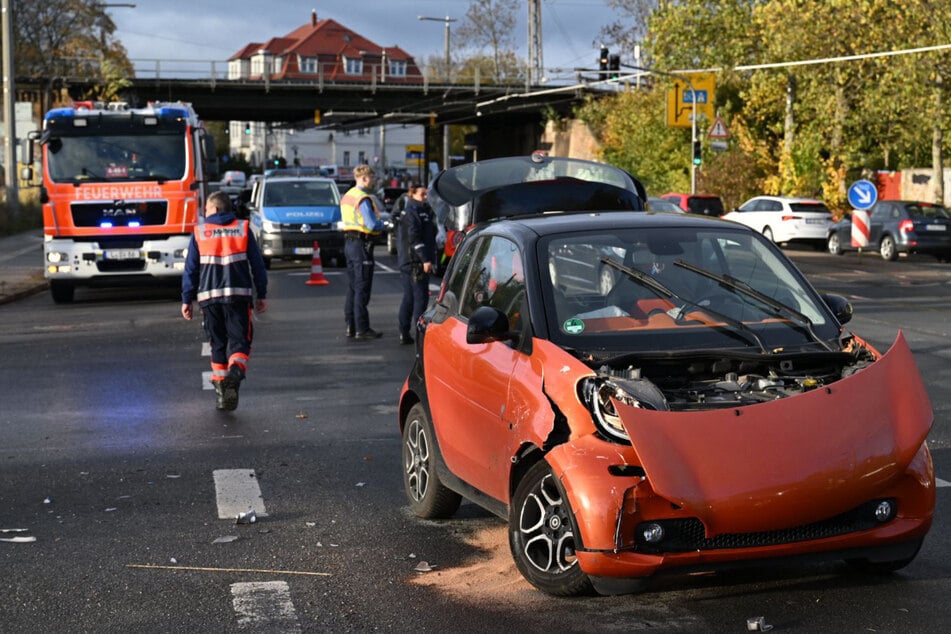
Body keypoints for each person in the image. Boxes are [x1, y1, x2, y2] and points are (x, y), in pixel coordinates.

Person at [181, 191, 268, 411]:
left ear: (217, 209)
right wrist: (262, 294)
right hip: (238, 296)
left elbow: (191, 269)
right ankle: (236, 373)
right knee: (240, 343)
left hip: (209, 299)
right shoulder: (242, 228)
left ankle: (222, 395)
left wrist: (186, 299)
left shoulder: (200, 232)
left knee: (217, 344)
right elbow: (258, 265)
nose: (204, 213)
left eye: (207, 209)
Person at [340, 164, 385, 340]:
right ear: (364, 178)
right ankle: (362, 328)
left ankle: (350, 325)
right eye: (372, 178)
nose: (373, 181)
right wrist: (384, 225)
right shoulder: (362, 198)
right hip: (362, 245)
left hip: (350, 243)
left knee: (352, 287)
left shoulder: (347, 196)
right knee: (362, 288)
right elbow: (372, 224)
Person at [397, 184, 437, 344]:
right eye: (422, 194)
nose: (425, 197)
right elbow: (415, 238)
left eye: (426, 194)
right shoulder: (413, 212)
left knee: (410, 298)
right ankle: (420, 334)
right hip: (415, 263)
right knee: (420, 299)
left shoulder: (419, 210)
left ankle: (405, 332)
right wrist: (425, 259)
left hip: (410, 261)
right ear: (412, 194)